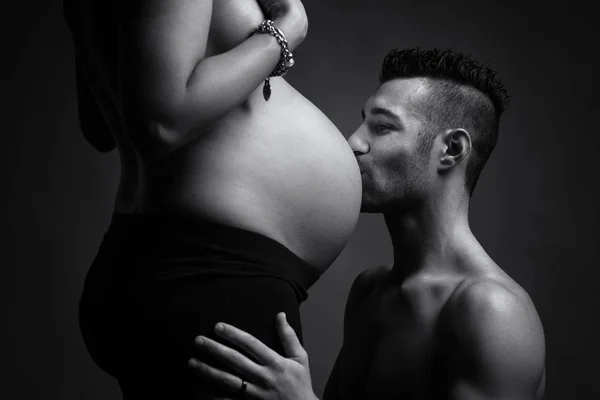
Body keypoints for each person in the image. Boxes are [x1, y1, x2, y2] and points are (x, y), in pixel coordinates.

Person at [187, 48, 547, 400]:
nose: (353, 142)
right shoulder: (370, 292)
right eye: (362, 123)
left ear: (452, 150)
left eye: (383, 127)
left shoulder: (493, 312)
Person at [63, 0, 362, 398]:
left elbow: (99, 124)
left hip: (173, 267)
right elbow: (159, 124)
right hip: (207, 281)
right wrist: (285, 33)